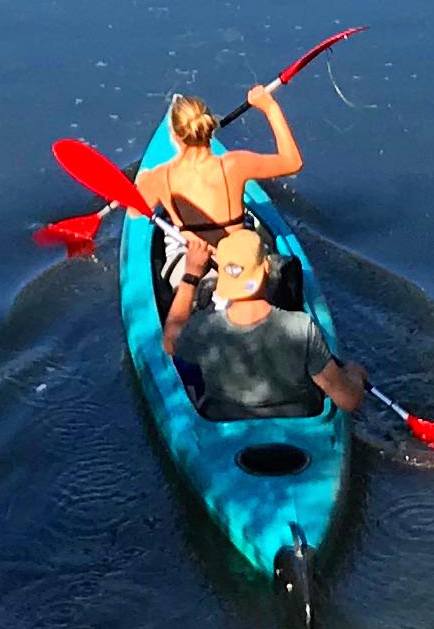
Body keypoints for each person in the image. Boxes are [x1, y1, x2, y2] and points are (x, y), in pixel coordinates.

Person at [163, 219, 365, 421]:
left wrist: (191, 276)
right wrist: (355, 375)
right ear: (267, 269)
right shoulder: (301, 328)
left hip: (228, 423)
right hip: (298, 423)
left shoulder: (203, 328)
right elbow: (348, 400)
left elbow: (170, 341)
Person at [139, 82, 303, 294]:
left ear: (175, 136)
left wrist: (143, 181)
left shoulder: (161, 177)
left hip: (196, 269)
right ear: (209, 128)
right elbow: (293, 162)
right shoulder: (235, 165)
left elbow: (136, 211)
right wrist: (270, 107)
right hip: (243, 264)